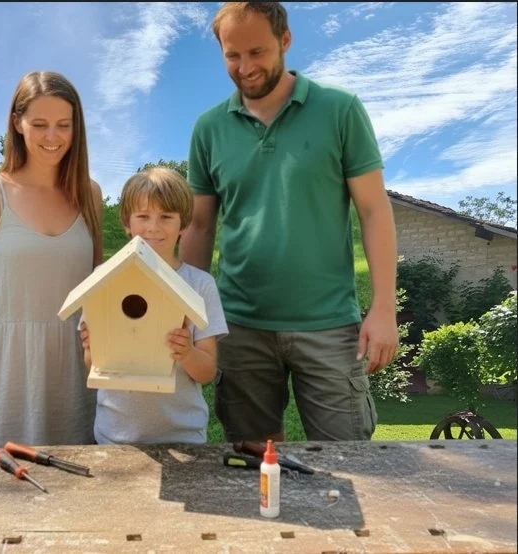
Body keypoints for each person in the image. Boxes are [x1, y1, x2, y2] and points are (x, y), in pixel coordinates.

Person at [179, 2, 398, 443]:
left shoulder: (340, 110)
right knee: (251, 463)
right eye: (232, 56)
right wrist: (188, 311)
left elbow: (374, 210)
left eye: (256, 52)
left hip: (329, 324)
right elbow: (199, 228)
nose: (245, 67)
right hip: (240, 325)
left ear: (285, 41)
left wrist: (384, 307)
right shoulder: (208, 129)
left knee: (350, 461)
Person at [0, 71, 103, 448]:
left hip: (73, 371)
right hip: (4, 370)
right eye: (40, 124)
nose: (53, 137)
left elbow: (100, 288)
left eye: (64, 125)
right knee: (0, 495)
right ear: (17, 123)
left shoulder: (90, 195)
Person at [80, 167, 228, 444]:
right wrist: (92, 348)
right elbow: (93, 364)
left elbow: (207, 372)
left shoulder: (200, 285)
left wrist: (187, 353)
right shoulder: (105, 281)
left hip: (183, 436)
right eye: (143, 216)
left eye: (166, 217)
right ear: (127, 223)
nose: (153, 227)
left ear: (183, 224)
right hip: (115, 435)